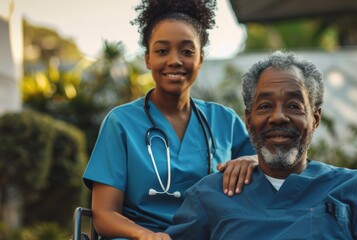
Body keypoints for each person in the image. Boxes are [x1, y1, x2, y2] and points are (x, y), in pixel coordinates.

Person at [165, 51, 357, 239]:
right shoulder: (209, 195)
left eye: (294, 106)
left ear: (315, 119)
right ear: (248, 120)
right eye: (264, 106)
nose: (278, 117)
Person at [82, 0, 257, 239]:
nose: (175, 60)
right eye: (162, 51)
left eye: (187, 51)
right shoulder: (120, 123)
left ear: (201, 58)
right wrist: (146, 235)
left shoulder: (224, 120)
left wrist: (252, 159)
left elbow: (267, 166)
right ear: (147, 59)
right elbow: (103, 214)